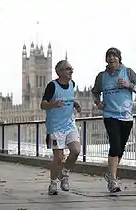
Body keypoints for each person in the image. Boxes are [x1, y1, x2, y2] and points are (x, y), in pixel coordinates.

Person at [91, 47, 136, 193]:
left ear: (119, 58)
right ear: (106, 59)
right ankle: (113, 181)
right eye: (109, 56)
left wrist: (129, 85)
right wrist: (98, 102)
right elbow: (95, 92)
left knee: (120, 148)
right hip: (109, 114)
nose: (111, 58)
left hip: (126, 116)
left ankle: (110, 173)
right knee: (114, 145)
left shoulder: (128, 72)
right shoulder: (101, 76)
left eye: (114, 56)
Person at [40, 60, 81, 195]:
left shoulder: (72, 84)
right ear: (60, 72)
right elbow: (43, 105)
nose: (71, 71)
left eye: (72, 69)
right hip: (55, 127)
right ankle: (53, 183)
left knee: (75, 150)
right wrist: (53, 105)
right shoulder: (52, 86)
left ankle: (64, 173)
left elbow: (68, 98)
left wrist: (75, 104)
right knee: (58, 158)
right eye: (68, 69)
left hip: (69, 125)